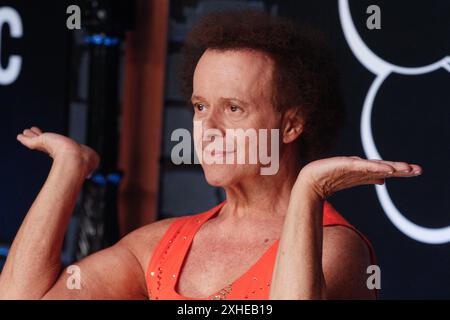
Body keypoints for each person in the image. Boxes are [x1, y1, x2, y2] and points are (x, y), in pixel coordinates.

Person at [0, 11, 421, 300]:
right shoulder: (161, 245)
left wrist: (308, 192)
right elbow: (22, 296)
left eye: (233, 109)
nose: (208, 129)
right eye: (201, 107)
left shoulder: (337, 248)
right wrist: (68, 169)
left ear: (291, 125)